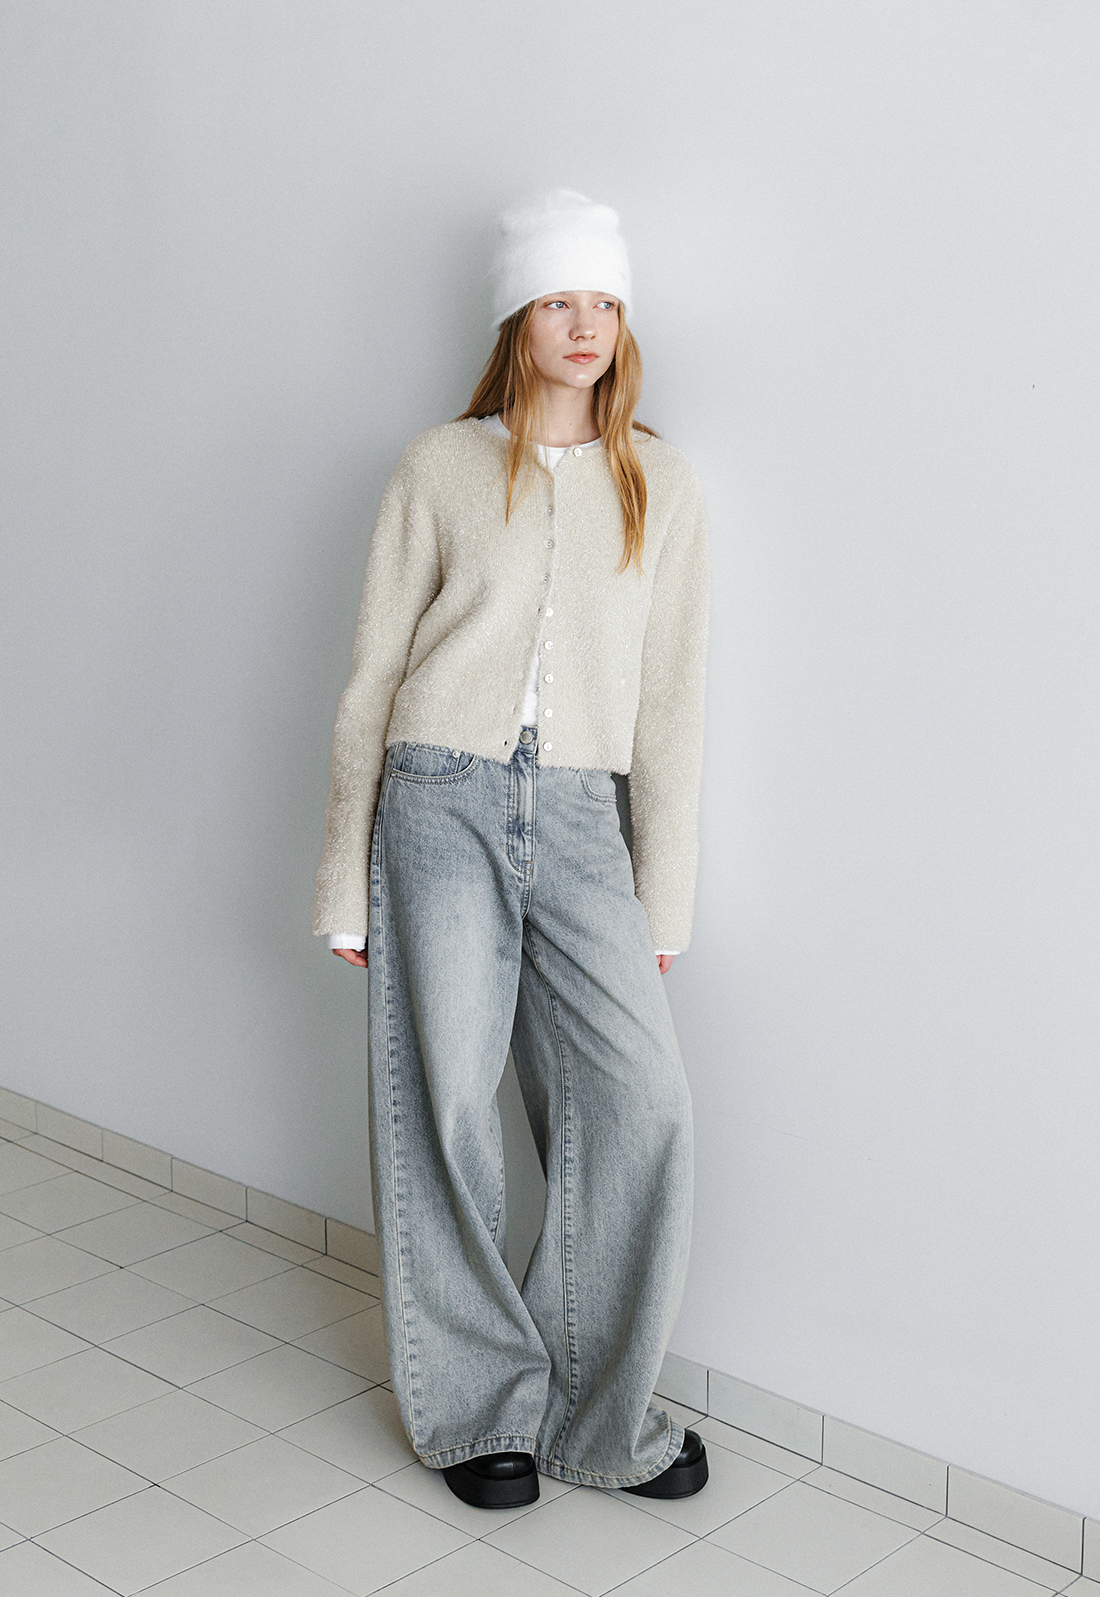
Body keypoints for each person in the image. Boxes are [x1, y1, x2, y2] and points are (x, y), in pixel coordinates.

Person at [313, 190, 710, 1508]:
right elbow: (373, 676)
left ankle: (598, 1418)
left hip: (589, 818)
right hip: (438, 800)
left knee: (641, 1103)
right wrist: (343, 876)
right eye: (557, 300)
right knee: (446, 1103)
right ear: (517, 320)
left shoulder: (663, 480)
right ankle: (480, 1410)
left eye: (603, 302)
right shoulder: (438, 466)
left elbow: (673, 703)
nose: (584, 325)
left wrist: (663, 894)